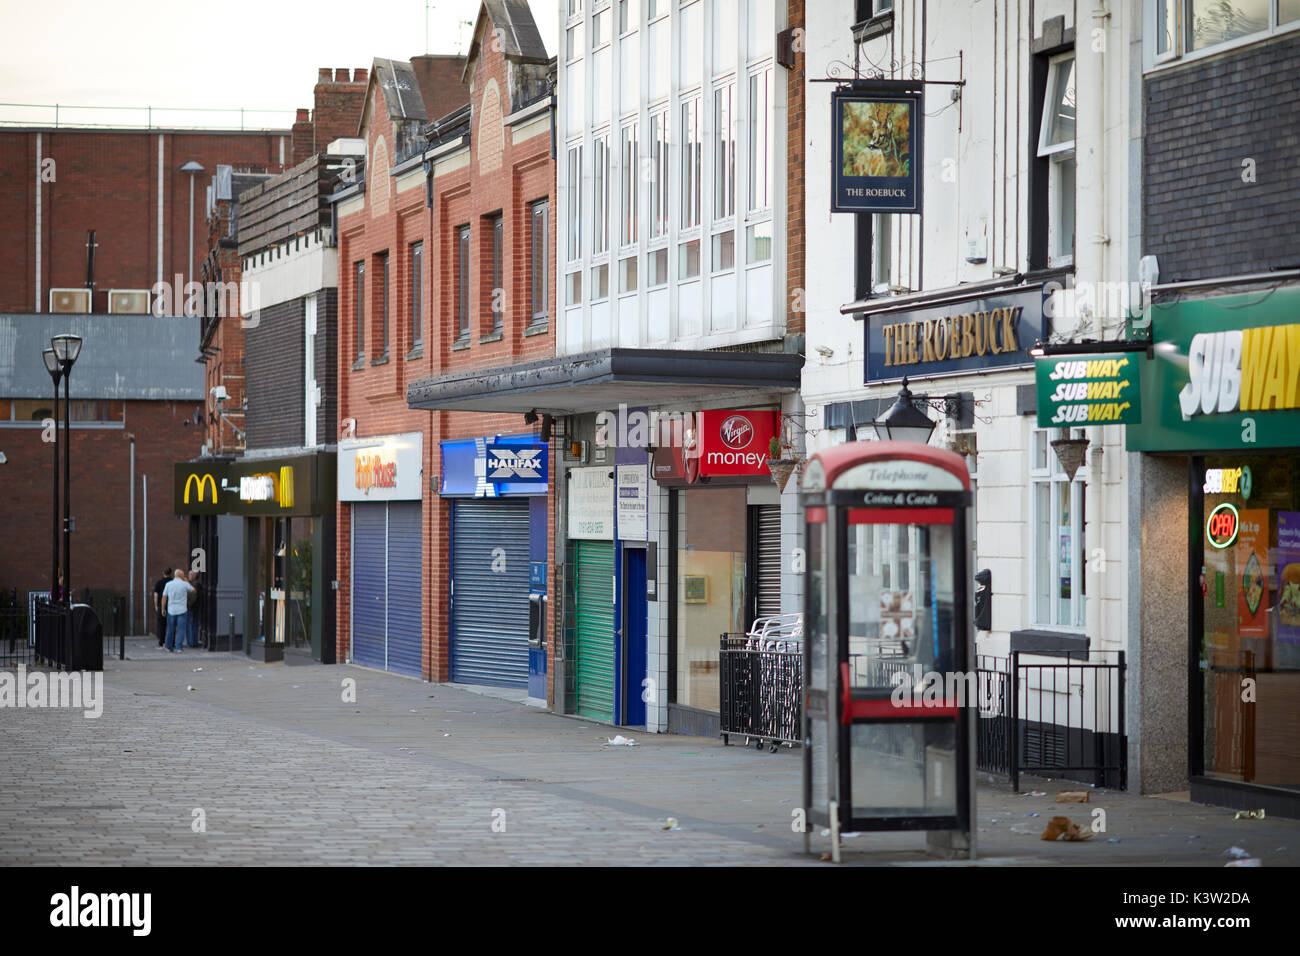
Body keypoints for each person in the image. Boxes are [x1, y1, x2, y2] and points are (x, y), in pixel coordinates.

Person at [161, 568, 193, 653]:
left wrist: (163, 609)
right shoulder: (184, 584)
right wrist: (186, 581)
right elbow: (193, 590)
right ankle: (179, 647)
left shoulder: (168, 584)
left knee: (170, 629)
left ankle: (168, 646)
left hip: (171, 609)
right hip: (182, 610)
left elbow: (164, 598)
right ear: (182, 576)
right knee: (181, 629)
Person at [153, 567, 172, 647]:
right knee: (171, 625)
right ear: (171, 573)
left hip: (162, 605)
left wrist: (156, 605)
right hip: (171, 605)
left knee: (161, 625)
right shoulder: (172, 582)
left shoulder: (159, 582)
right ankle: (171, 641)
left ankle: (161, 641)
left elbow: (156, 595)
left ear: (163, 572)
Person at [186, 569, 202, 648]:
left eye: (190, 574)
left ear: (193, 576)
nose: (189, 576)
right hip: (194, 607)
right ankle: (193, 641)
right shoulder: (195, 584)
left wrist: (188, 605)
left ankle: (191, 642)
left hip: (191, 608)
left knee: (190, 625)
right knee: (193, 624)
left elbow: (193, 597)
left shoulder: (194, 585)